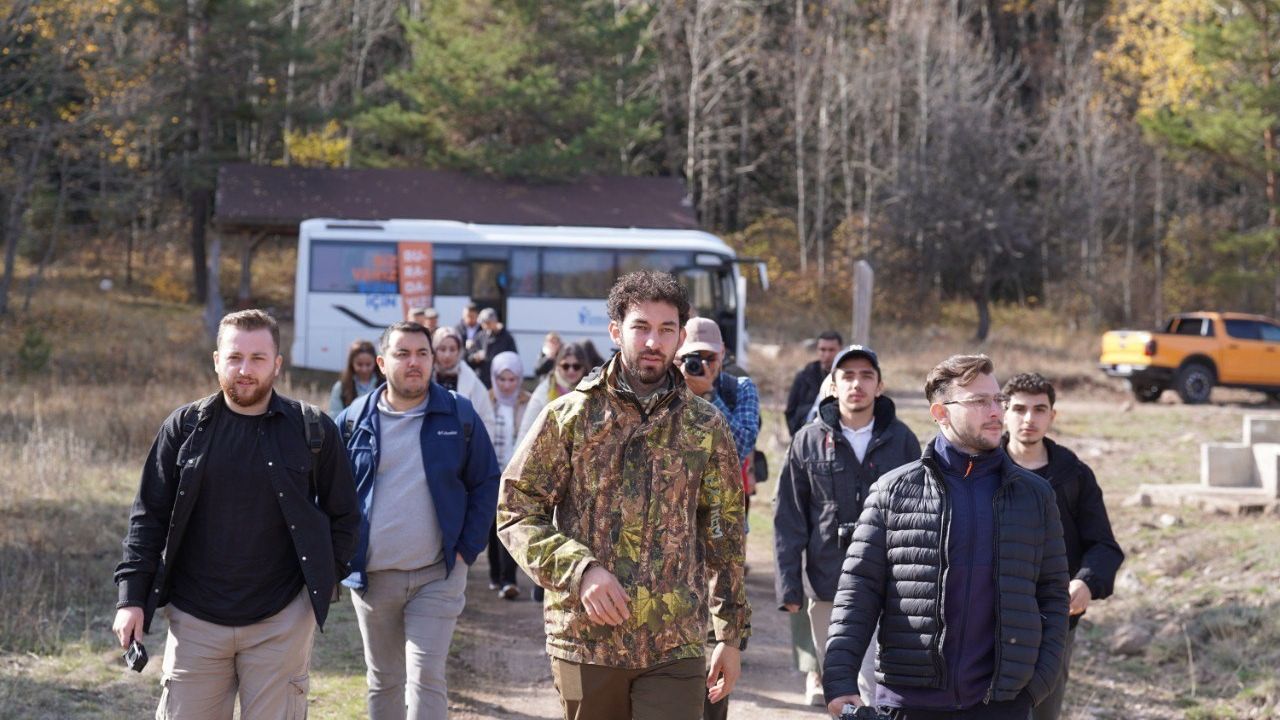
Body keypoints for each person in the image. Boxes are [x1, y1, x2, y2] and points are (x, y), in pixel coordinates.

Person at [498, 270, 750, 720]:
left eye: (666, 329)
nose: (653, 341)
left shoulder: (705, 426)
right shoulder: (570, 416)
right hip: (585, 639)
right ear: (616, 332)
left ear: (679, 337)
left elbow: (724, 533)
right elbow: (516, 510)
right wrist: (580, 570)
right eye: (641, 327)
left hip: (676, 643)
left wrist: (730, 637)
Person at [112, 309, 360, 719]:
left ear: (277, 364)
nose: (245, 370)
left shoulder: (312, 430)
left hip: (280, 622)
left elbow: (345, 516)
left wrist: (317, 583)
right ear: (216, 360)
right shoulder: (184, 428)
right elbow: (148, 517)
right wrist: (131, 599)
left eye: (258, 358)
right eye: (234, 357)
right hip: (194, 622)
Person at [823, 354, 1069, 720]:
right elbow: (858, 592)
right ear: (940, 413)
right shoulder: (892, 492)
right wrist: (840, 681)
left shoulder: (1034, 495)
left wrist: (1037, 683)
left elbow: (1052, 594)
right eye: (978, 401)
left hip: (1001, 706)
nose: (995, 412)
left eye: (997, 400)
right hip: (909, 703)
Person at [335, 321, 502, 720]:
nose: (414, 363)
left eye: (422, 354)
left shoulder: (457, 413)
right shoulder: (351, 421)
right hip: (373, 579)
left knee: (426, 675)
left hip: (438, 574)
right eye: (403, 353)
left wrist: (466, 550)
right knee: (384, 680)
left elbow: (486, 481)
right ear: (381, 362)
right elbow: (331, 497)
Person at [774, 345, 921, 708]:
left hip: (888, 585)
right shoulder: (807, 440)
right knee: (839, 688)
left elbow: (921, 516)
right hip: (826, 583)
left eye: (866, 376)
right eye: (848, 376)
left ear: (880, 385)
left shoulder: (902, 440)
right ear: (833, 385)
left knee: (874, 682)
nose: (857, 384)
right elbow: (789, 516)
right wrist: (789, 584)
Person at [1000, 373, 1124, 720]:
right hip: (987, 615)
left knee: (1043, 708)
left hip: (1054, 617)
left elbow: (1104, 545)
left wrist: (1085, 581)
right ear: (1004, 412)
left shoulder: (1074, 475)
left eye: (1039, 409)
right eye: (1020, 409)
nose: (1029, 419)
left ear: (1052, 416)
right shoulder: (981, 468)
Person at [487, 351, 532, 600]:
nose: (506, 385)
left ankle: (508, 579)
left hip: (515, 472)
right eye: (502, 379)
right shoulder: (486, 400)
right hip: (491, 472)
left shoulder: (527, 402)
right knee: (492, 529)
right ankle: (496, 574)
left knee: (510, 524)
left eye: (511, 379)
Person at [516, 342, 590, 443]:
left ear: (584, 367)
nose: (571, 371)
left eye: (576, 366)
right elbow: (526, 431)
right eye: (565, 366)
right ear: (558, 366)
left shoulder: (591, 391)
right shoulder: (544, 391)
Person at [431, 326, 496, 431]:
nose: (447, 355)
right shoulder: (425, 378)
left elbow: (487, 421)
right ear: (434, 350)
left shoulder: (471, 381)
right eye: (442, 349)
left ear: (459, 351)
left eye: (452, 349)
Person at [785, 331, 843, 436]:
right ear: (817, 350)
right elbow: (791, 411)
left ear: (840, 350)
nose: (827, 354)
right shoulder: (804, 376)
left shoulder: (847, 379)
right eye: (823, 349)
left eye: (831, 350)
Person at [330, 339, 386, 416]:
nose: (364, 369)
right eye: (359, 364)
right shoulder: (341, 387)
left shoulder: (384, 384)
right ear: (352, 363)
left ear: (376, 362)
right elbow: (335, 416)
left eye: (368, 364)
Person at [468, 307, 518, 388]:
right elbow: (470, 357)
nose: (485, 326)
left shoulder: (506, 337)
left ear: (495, 321)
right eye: (483, 323)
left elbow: (514, 357)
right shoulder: (480, 336)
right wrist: (475, 357)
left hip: (500, 377)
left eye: (488, 323)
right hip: (482, 377)